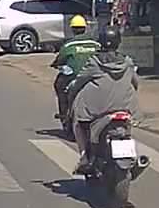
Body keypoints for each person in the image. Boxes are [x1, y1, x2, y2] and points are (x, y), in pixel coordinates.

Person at [67, 27, 140, 174]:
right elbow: (135, 83)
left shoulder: (94, 62)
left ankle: (84, 157)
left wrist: (71, 91)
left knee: (78, 122)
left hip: (98, 110)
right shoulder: (127, 62)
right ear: (118, 42)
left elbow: (80, 81)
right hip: (124, 108)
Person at [50, 15, 100, 119]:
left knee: (59, 85)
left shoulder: (69, 45)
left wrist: (55, 64)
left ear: (72, 29)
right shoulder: (96, 44)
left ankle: (63, 113)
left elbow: (60, 59)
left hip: (73, 77)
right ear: (85, 28)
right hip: (93, 76)